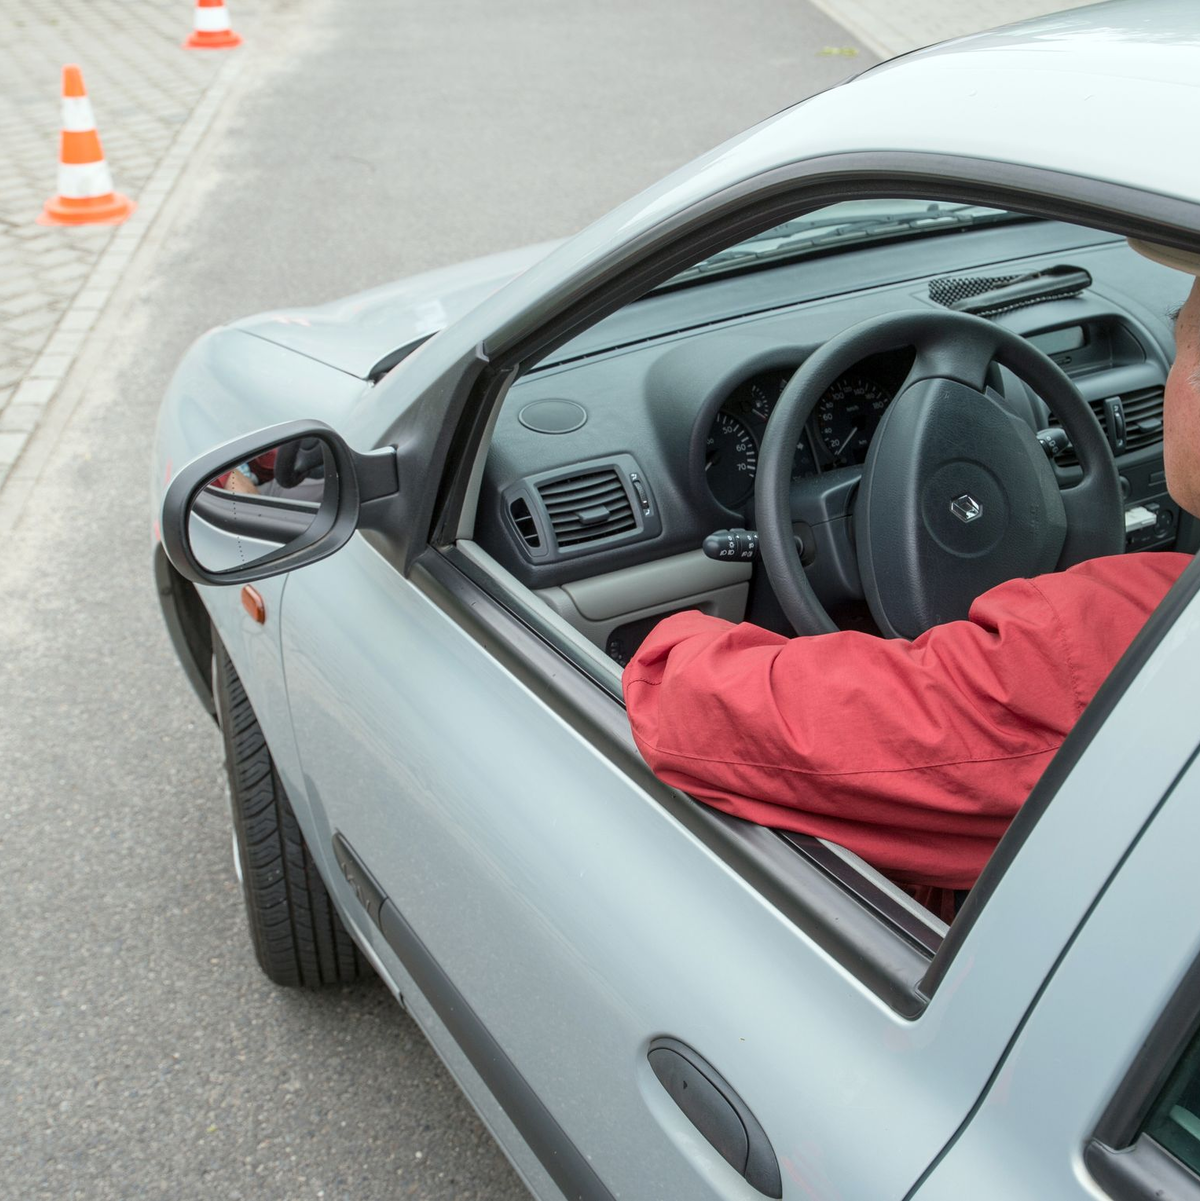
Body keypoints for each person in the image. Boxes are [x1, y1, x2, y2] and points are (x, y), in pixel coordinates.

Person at [623, 240, 1199, 920]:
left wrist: (666, 646)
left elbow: (687, 705)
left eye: (1181, 337)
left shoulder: (1108, 651)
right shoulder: (1125, 623)